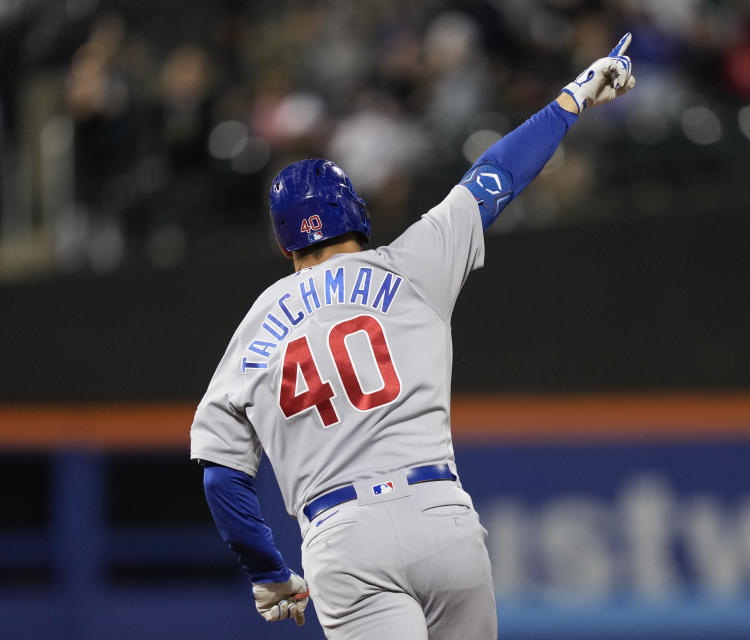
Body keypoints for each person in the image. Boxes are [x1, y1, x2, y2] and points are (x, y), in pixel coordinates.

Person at [190, 33, 635, 640]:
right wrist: (573, 98)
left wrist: (268, 572)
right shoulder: (412, 264)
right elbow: (496, 173)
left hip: (342, 537)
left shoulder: (260, 321)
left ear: (283, 240)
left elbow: (221, 474)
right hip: (439, 518)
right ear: (356, 213)